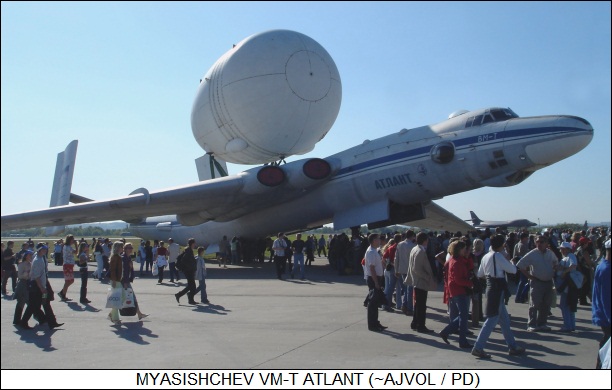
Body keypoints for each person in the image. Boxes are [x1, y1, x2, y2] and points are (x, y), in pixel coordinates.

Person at [471, 235, 524, 359]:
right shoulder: (498, 256)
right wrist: (510, 262)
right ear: (501, 245)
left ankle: (512, 346)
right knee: (492, 319)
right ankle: (478, 347)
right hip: (498, 288)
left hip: (490, 287)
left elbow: (480, 273)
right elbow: (513, 270)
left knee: (504, 320)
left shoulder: (486, 256)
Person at [516, 235, 559, 332]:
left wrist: (555, 268)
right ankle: (531, 324)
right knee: (534, 304)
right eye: (537, 242)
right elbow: (520, 265)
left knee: (546, 304)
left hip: (548, 281)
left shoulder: (550, 253)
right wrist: (530, 276)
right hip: (537, 282)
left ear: (546, 243)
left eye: (541, 242)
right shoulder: (532, 253)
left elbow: (556, 262)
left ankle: (542, 323)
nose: (539, 244)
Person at [19, 245, 63, 330]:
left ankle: (52, 322)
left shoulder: (41, 258)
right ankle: (24, 322)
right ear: (39, 250)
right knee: (33, 305)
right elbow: (36, 276)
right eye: (43, 249)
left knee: (45, 303)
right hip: (37, 287)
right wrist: (42, 288)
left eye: (46, 249)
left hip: (41, 286)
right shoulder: (38, 260)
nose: (45, 251)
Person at [439, 240, 473, 349]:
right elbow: (458, 280)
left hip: (454, 290)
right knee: (463, 316)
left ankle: (447, 332)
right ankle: (461, 340)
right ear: (459, 249)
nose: (465, 251)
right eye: (464, 249)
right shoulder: (457, 262)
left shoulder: (453, 260)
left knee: (462, 315)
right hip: (459, 290)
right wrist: (470, 283)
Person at [408, 232, 437, 333]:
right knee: (421, 305)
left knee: (418, 304)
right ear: (425, 240)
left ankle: (415, 323)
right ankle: (420, 325)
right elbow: (417, 268)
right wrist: (428, 277)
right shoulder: (420, 251)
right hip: (421, 281)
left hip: (417, 281)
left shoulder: (415, 249)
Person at [592, 238, 611, 369]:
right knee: (606, 352)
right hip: (607, 318)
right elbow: (606, 299)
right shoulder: (607, 270)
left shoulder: (603, 265)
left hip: (604, 316)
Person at [365, 234, 387, 332]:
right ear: (374, 240)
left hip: (377, 278)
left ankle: (376, 322)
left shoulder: (374, 251)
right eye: (378, 239)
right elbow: (372, 268)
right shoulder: (371, 252)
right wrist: (376, 282)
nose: (380, 241)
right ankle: (372, 325)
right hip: (373, 279)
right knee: (373, 303)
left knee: (376, 303)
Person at [121, 243, 148, 320]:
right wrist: (126, 282)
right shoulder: (124, 258)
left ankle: (139, 313)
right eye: (129, 248)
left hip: (126, 280)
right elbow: (124, 271)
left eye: (131, 248)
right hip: (124, 281)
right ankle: (139, 313)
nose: (131, 249)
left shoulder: (128, 257)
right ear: (125, 249)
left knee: (127, 298)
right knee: (130, 297)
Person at [556, 242, 579, 332]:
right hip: (568, 285)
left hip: (568, 285)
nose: (561, 250)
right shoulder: (566, 257)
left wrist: (564, 272)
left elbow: (573, 265)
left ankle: (567, 325)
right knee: (569, 306)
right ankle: (571, 325)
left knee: (564, 305)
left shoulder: (571, 256)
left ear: (567, 249)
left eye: (562, 248)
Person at [175, 238, 198, 305]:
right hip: (188, 271)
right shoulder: (188, 251)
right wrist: (189, 267)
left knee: (191, 286)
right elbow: (184, 260)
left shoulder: (189, 250)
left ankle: (181, 296)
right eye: (194, 243)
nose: (195, 244)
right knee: (193, 286)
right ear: (192, 243)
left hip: (189, 271)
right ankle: (189, 299)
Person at [13, 250, 33, 325]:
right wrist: (26, 273)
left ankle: (40, 317)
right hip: (22, 283)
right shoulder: (22, 264)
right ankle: (17, 320)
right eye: (29, 255)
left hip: (28, 283)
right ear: (26, 256)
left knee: (29, 302)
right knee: (21, 302)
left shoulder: (30, 264)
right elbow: (20, 276)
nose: (31, 256)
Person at [108, 241, 124, 324]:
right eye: (121, 247)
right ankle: (115, 318)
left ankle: (112, 314)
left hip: (118, 280)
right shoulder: (115, 257)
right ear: (118, 248)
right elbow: (113, 270)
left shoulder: (118, 256)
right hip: (115, 280)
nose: (123, 248)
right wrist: (114, 280)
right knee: (117, 299)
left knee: (121, 297)